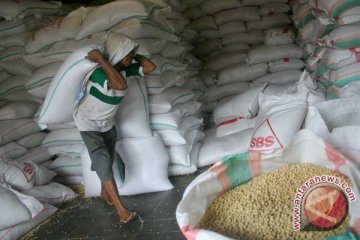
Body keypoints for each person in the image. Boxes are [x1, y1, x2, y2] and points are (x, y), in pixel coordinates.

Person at [74, 37, 156, 224]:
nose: (131, 57)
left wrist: (133, 54)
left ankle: (105, 191)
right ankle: (121, 211)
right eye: (126, 53)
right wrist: (102, 60)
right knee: (103, 161)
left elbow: (150, 67)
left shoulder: (123, 71)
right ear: (117, 54)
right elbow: (120, 85)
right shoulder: (98, 73)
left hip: (106, 122)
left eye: (131, 53)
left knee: (108, 158)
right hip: (87, 123)